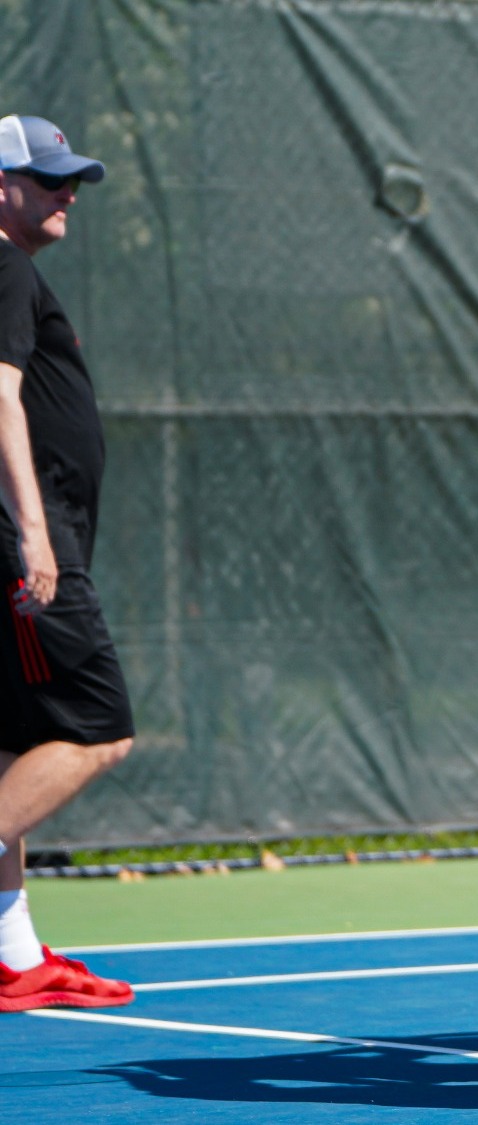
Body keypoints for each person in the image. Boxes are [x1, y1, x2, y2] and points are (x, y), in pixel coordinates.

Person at [0, 114, 134, 1014]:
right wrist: (35, 532)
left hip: (22, 543)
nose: (67, 194)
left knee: (10, 741)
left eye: (71, 179)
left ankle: (11, 956)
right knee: (98, 730)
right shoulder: (3, 265)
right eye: (48, 180)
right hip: (26, 550)